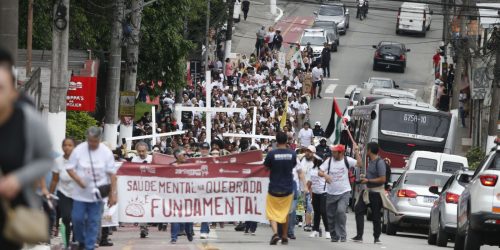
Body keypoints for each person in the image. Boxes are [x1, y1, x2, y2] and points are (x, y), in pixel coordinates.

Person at [0, 48, 53, 249]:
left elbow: (46, 158)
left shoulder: (27, 120)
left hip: (11, 216)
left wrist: (18, 179)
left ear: (13, 92)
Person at [67, 127, 118, 250]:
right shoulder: (79, 150)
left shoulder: (106, 152)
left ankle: (89, 246)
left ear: (99, 139)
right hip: (80, 194)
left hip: (97, 195)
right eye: (90, 141)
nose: (92, 144)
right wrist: (79, 180)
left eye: (95, 141)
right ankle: (82, 241)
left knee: (93, 222)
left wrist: (113, 194)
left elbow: (112, 175)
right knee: (77, 219)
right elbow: (69, 168)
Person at [264, 132, 306, 245]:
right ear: (287, 141)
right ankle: (284, 235)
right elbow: (300, 172)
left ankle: (275, 234)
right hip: (288, 189)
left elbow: (265, 169)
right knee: (285, 213)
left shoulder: (271, 154)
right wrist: (305, 186)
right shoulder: (292, 155)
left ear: (276, 141)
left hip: (273, 189)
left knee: (271, 212)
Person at [352, 142, 398, 244]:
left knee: (376, 216)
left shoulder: (380, 162)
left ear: (369, 150)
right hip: (368, 192)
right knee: (358, 209)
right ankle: (359, 236)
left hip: (377, 193)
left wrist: (368, 181)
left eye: (367, 149)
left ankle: (376, 238)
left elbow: (382, 179)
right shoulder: (371, 162)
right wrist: (365, 177)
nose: (366, 151)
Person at [319, 144, 361, 242]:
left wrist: (356, 151)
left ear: (341, 152)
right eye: (332, 151)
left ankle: (343, 235)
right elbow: (319, 172)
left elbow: (359, 164)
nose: (332, 153)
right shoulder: (329, 161)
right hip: (330, 193)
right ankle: (334, 236)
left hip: (344, 192)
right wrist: (325, 175)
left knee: (341, 211)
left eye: (334, 152)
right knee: (330, 216)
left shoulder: (347, 160)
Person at [49, 138, 77, 247]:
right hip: (63, 193)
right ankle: (66, 244)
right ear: (62, 147)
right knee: (66, 217)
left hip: (78, 194)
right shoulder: (58, 161)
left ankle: (75, 241)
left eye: (70, 145)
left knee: (76, 218)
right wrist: (50, 195)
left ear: (74, 147)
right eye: (65, 145)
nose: (67, 147)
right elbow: (54, 179)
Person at [170, 149, 194, 244]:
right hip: (175, 196)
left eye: (186, 155)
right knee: (175, 217)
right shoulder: (171, 167)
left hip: (188, 195)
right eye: (183, 155)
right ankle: (174, 237)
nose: (185, 156)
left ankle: (189, 232)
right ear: (177, 156)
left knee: (188, 217)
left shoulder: (191, 166)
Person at [131, 142, 152, 239]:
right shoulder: (134, 159)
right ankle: (143, 228)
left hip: (151, 187)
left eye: (143, 151)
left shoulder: (152, 159)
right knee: (141, 206)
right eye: (139, 151)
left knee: (148, 208)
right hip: (138, 187)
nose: (141, 153)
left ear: (146, 150)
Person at [308, 155, 329, 239]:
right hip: (315, 192)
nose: (312, 160)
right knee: (316, 212)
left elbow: (328, 179)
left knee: (323, 211)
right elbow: (310, 181)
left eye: (314, 159)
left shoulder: (324, 169)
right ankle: (315, 230)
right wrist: (307, 190)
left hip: (323, 192)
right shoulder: (312, 169)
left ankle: (328, 231)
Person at [300, 146, 317, 232]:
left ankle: (309, 224)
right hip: (301, 187)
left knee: (310, 206)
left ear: (313, 153)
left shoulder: (316, 162)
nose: (307, 153)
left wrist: (309, 187)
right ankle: (306, 222)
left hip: (311, 188)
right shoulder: (302, 159)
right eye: (307, 151)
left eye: (310, 152)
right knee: (305, 207)